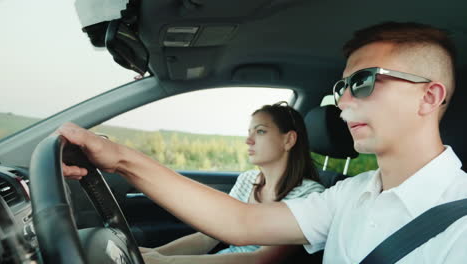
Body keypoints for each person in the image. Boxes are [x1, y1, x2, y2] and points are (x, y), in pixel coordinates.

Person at [59, 21, 467, 263]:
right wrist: (121, 159)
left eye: (362, 82)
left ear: (428, 96)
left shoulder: (460, 223)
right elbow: (242, 222)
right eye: (341, 85)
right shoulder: (351, 194)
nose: (341, 99)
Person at [138, 102, 325, 264]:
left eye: (260, 131)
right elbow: (208, 238)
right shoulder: (247, 180)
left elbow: (262, 259)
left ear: (289, 139)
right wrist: (155, 254)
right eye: (249, 132)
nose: (248, 141)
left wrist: (165, 262)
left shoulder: (309, 196)